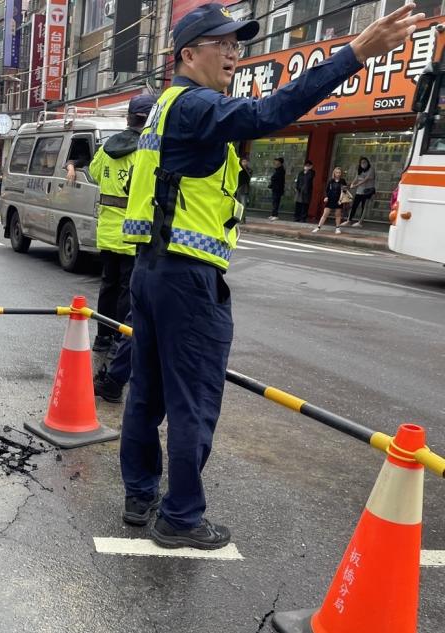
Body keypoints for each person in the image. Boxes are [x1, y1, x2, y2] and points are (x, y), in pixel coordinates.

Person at [119, 2, 422, 549]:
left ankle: (140, 495)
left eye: (239, 45)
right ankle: (181, 517)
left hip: (151, 270)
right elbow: (269, 114)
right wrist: (354, 54)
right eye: (224, 45)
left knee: (148, 392)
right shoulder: (197, 107)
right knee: (194, 399)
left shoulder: (163, 108)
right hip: (187, 280)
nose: (236, 55)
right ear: (189, 54)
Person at [87, 94, 154, 400]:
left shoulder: (107, 147)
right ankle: (117, 337)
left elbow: (95, 173)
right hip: (132, 233)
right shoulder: (147, 149)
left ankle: (102, 336)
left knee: (107, 285)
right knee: (128, 290)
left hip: (108, 230)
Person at [313, 166, 349, 234]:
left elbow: (344, 191)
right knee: (325, 214)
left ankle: (337, 228)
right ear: (334, 173)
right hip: (330, 199)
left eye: (339, 172)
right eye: (337, 172)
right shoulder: (331, 180)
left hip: (338, 199)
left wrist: (340, 200)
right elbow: (327, 190)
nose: (338, 174)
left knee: (338, 214)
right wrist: (326, 197)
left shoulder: (342, 181)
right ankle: (318, 227)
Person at [343, 156, 375, 227]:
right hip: (359, 191)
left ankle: (360, 222)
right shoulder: (360, 170)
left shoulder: (371, 169)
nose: (363, 164)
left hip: (367, 191)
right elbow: (356, 178)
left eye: (365, 162)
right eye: (362, 163)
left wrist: (356, 185)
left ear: (367, 162)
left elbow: (366, 179)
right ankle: (349, 220)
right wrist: (352, 184)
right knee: (354, 205)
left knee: (364, 206)